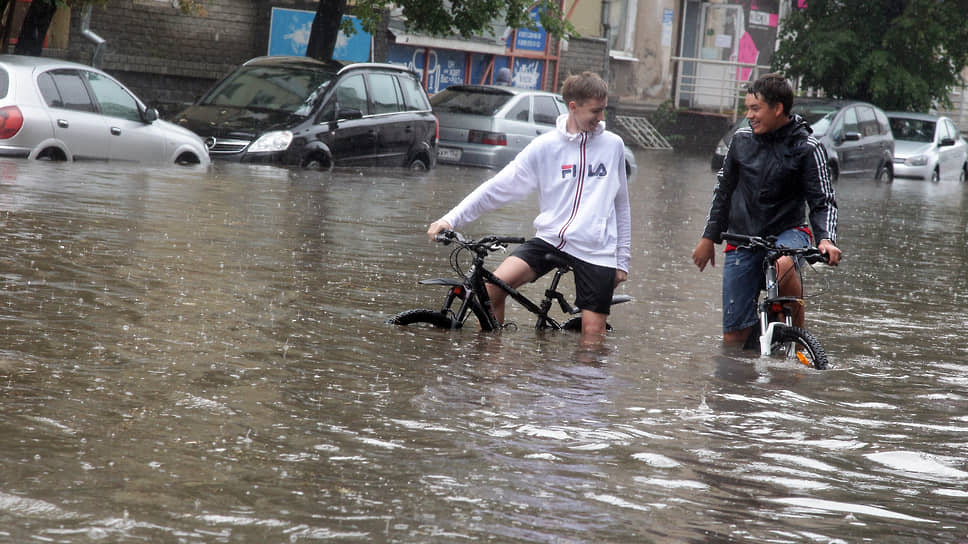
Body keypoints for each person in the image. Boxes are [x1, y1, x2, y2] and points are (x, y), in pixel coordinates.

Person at [427, 71, 631, 341]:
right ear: (573, 107)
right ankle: (492, 361)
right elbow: (497, 187)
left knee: (592, 335)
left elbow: (621, 205)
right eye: (596, 111)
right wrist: (450, 219)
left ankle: (585, 383)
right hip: (550, 239)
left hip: (596, 248)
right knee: (490, 291)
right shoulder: (545, 147)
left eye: (603, 110)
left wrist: (622, 260)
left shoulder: (613, 146)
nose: (601, 118)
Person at [691, 73, 842, 345]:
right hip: (743, 237)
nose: (749, 115)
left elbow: (823, 201)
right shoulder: (741, 141)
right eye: (747, 108)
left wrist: (826, 239)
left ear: (778, 108)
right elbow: (723, 192)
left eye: (755, 108)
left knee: (783, 263)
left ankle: (797, 337)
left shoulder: (808, 148)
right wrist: (708, 238)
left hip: (789, 232)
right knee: (733, 338)